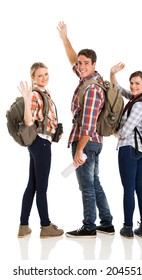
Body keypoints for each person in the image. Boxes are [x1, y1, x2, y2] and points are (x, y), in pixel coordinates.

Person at [57, 21, 114, 238]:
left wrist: (79, 150)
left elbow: (88, 125)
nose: (80, 66)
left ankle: (89, 227)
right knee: (95, 182)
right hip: (95, 142)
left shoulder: (91, 90)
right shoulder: (91, 79)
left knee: (87, 187)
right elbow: (73, 57)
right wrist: (65, 38)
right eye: (80, 63)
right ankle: (106, 223)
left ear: (94, 64)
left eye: (85, 63)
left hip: (86, 141)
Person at [17, 62, 64, 238]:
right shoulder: (36, 95)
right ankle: (45, 226)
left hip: (38, 144)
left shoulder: (44, 93)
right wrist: (27, 100)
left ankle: (23, 226)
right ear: (33, 78)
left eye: (46, 74)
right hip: (41, 144)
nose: (44, 78)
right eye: (40, 75)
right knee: (42, 188)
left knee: (32, 185)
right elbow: (29, 121)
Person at [110, 62, 142, 239]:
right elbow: (119, 89)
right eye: (132, 83)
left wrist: (114, 132)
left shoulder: (139, 105)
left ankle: (127, 228)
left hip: (129, 149)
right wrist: (112, 73)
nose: (133, 86)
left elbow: (125, 131)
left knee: (128, 190)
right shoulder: (141, 99)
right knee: (140, 187)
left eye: (137, 83)